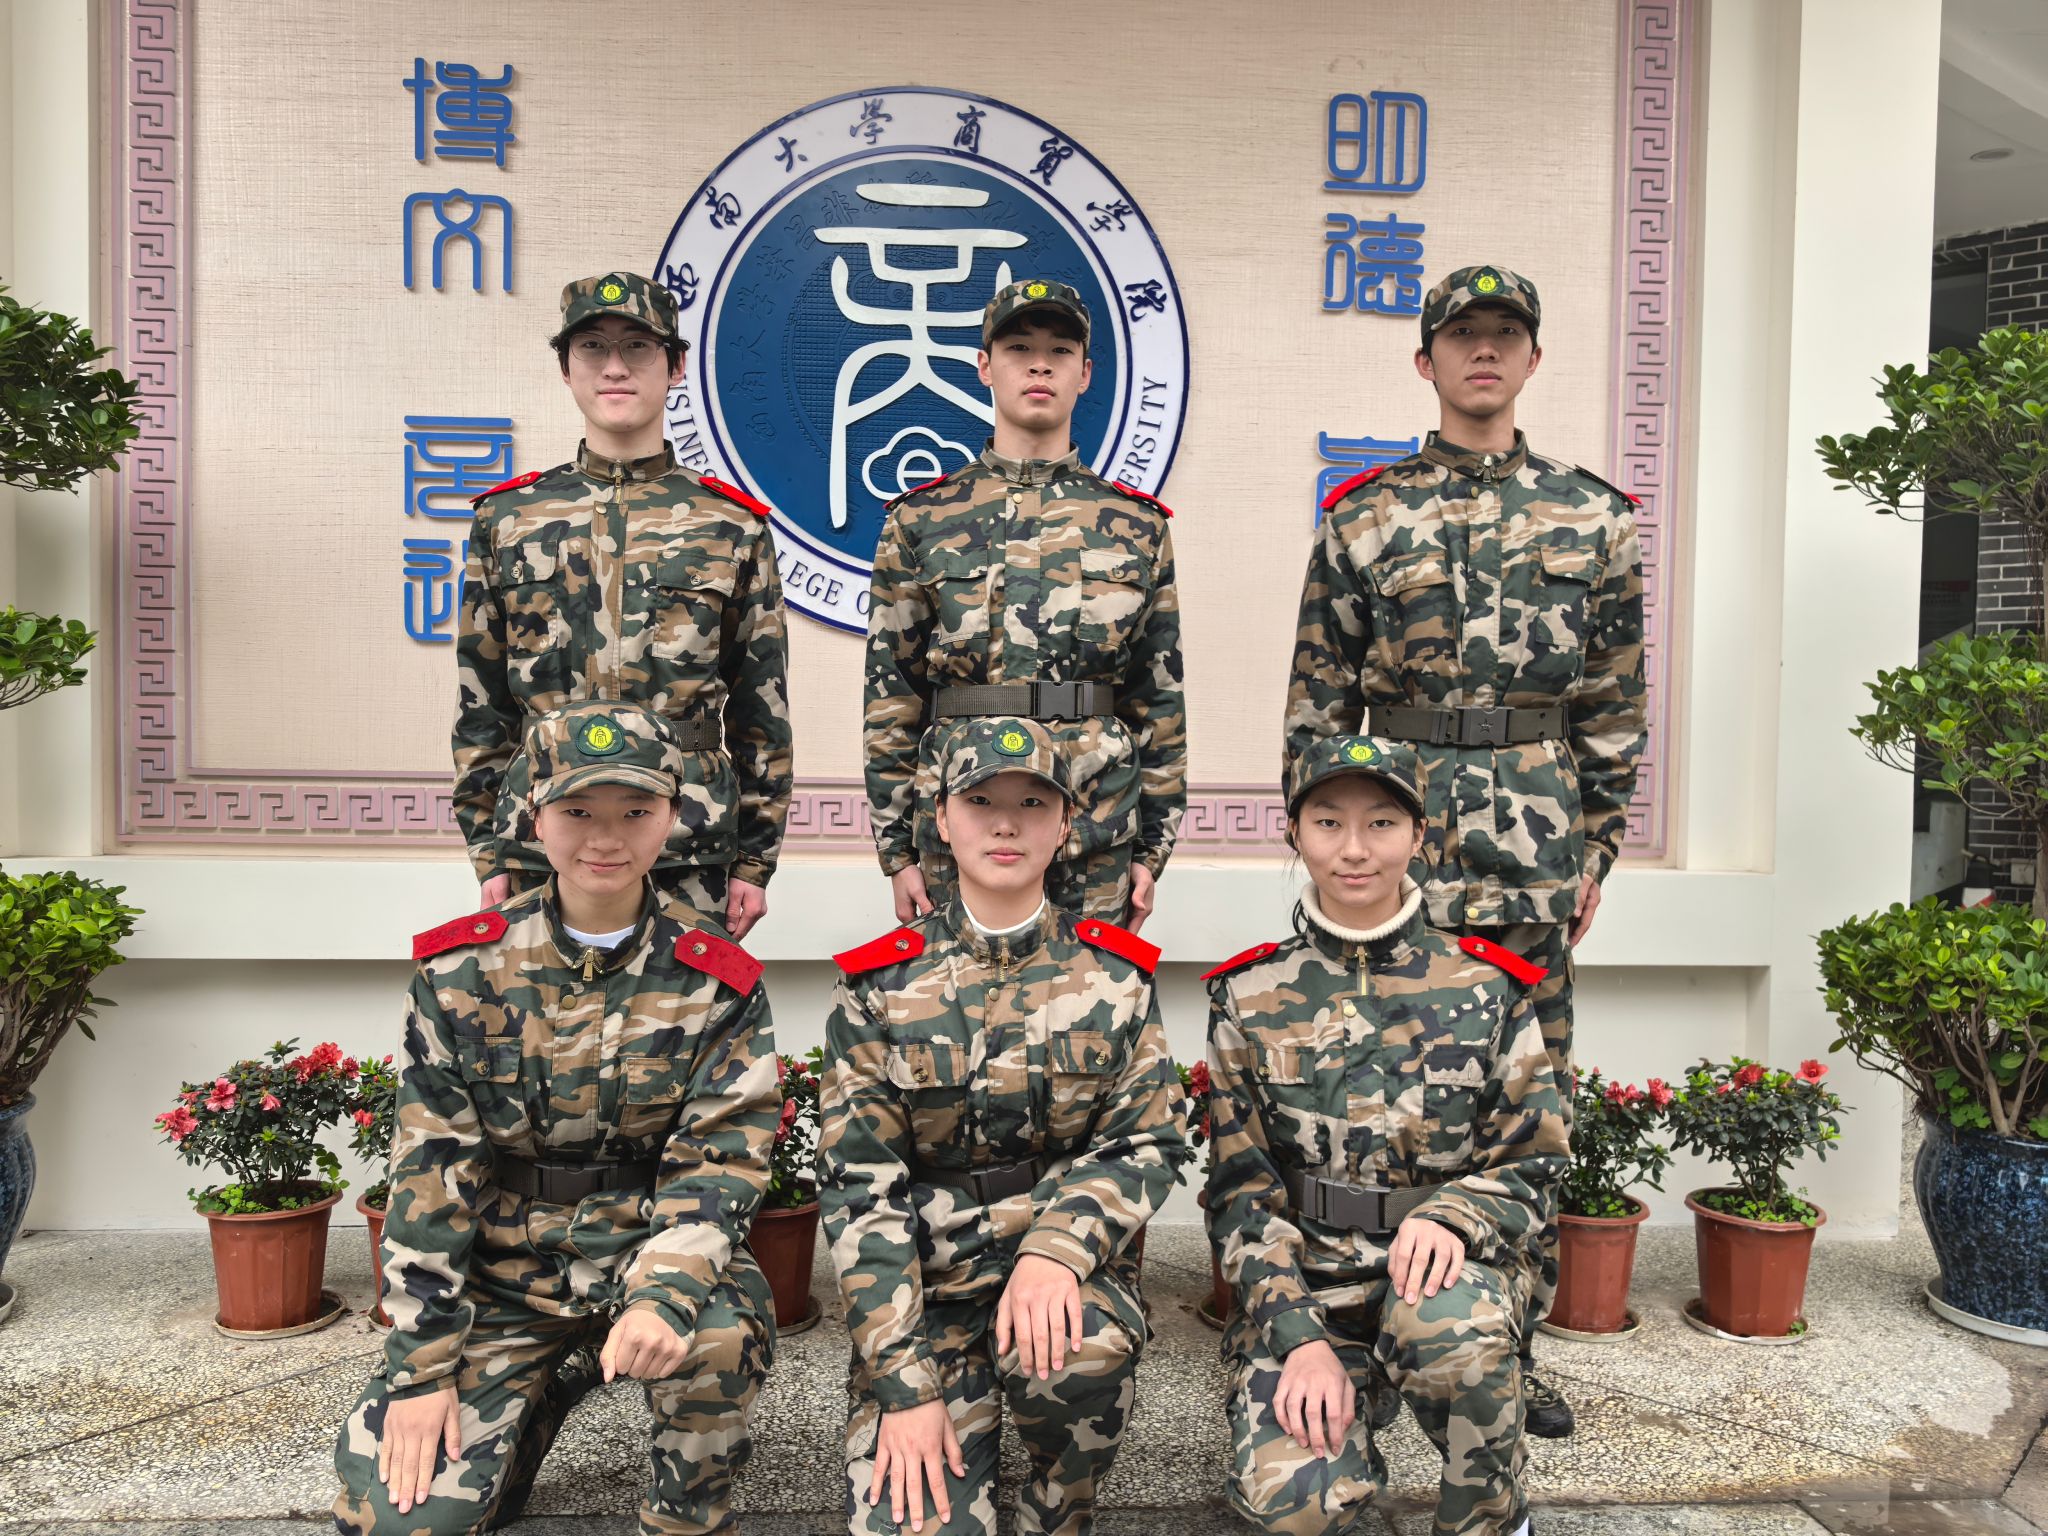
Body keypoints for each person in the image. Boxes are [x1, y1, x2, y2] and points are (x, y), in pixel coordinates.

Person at [1283, 264, 1646, 1435]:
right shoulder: (1364, 514)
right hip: (1391, 840)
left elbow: (1611, 701)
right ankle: (1361, 1332)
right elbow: (1317, 700)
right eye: (1460, 334)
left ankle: (1501, 1345)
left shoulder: (1593, 517)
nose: (1481, 350)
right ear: (1425, 360)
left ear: (1531, 358)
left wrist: (1596, 844)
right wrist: (1322, 843)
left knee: (1522, 1093)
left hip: (1531, 841)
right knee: (1372, 1077)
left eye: (1503, 334)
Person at [335, 701, 778, 1535]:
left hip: (648, 1242)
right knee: (397, 1521)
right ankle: (539, 1394)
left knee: (715, 1340)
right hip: (506, 1271)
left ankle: (684, 1515)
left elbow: (722, 1159)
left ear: (672, 817)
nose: (605, 838)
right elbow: (429, 1174)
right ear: (534, 817)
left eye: (635, 812)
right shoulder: (461, 971)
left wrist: (665, 1295)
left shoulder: (715, 978)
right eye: (577, 810)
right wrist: (422, 1371)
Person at [818, 716, 1189, 1536]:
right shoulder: (879, 985)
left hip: (1061, 1276)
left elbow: (1146, 1140)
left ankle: (1059, 1508)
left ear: (1065, 824)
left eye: (1032, 803)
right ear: (941, 821)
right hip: (929, 1294)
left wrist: (1057, 1249)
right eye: (981, 802)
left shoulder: (1116, 978)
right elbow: (859, 1188)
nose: (1006, 825)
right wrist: (904, 1387)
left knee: (1082, 1353)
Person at [1205, 735, 1567, 1536]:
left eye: (1381, 823)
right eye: (1328, 822)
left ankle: (1493, 1516)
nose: (1355, 849)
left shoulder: (1487, 986)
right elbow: (1240, 1195)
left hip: (1445, 1275)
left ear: (1419, 834)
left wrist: (1454, 1217)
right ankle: (1335, 1422)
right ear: (1293, 833)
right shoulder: (1250, 993)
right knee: (1293, 1508)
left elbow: (1533, 1160)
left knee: (1454, 1338)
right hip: (1312, 1282)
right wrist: (1298, 1338)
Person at [453, 271, 793, 940]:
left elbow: (763, 708)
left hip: (688, 835)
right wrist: (487, 848)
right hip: (542, 834)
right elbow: (481, 702)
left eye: (638, 346)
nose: (614, 367)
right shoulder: (509, 519)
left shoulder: (729, 523)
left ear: (676, 366)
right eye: (592, 347)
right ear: (565, 367)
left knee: (688, 1006)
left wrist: (756, 859)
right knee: (536, 1008)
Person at [864, 277, 1188, 931]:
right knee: (954, 991)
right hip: (963, 819)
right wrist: (896, 850)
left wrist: (1153, 849)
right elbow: (891, 696)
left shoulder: (1136, 525)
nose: (1040, 366)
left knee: (1093, 991)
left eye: (1060, 351)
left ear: (1084, 373)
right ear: (985, 367)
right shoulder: (921, 520)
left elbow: (1157, 699)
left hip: (1097, 817)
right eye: (1018, 349)